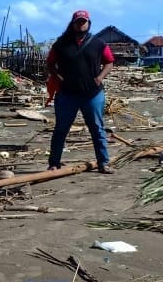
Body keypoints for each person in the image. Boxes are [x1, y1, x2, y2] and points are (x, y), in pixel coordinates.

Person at [45, 10, 115, 174]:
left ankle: (103, 163)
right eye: (78, 21)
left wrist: (99, 78)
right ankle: (54, 163)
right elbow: (50, 63)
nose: (81, 24)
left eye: (84, 21)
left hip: (93, 94)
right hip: (67, 94)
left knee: (97, 128)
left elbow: (109, 62)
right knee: (61, 129)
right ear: (73, 23)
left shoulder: (98, 43)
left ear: (89, 23)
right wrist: (58, 77)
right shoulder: (61, 44)